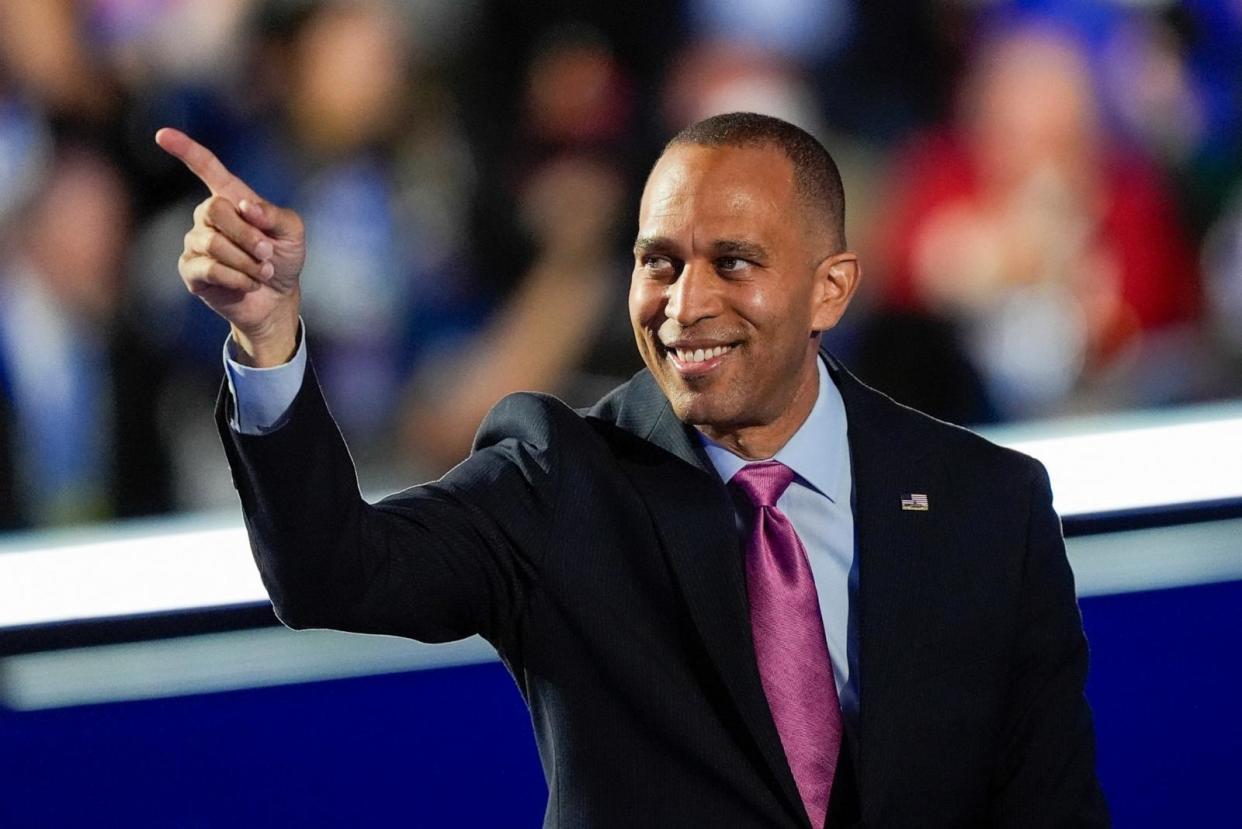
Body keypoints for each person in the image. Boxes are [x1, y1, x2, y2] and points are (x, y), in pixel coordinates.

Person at [156, 112, 1107, 827]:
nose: (684, 304)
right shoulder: (558, 480)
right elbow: (334, 569)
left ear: (831, 288)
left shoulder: (990, 503)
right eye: (659, 261)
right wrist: (269, 335)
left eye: (734, 263)